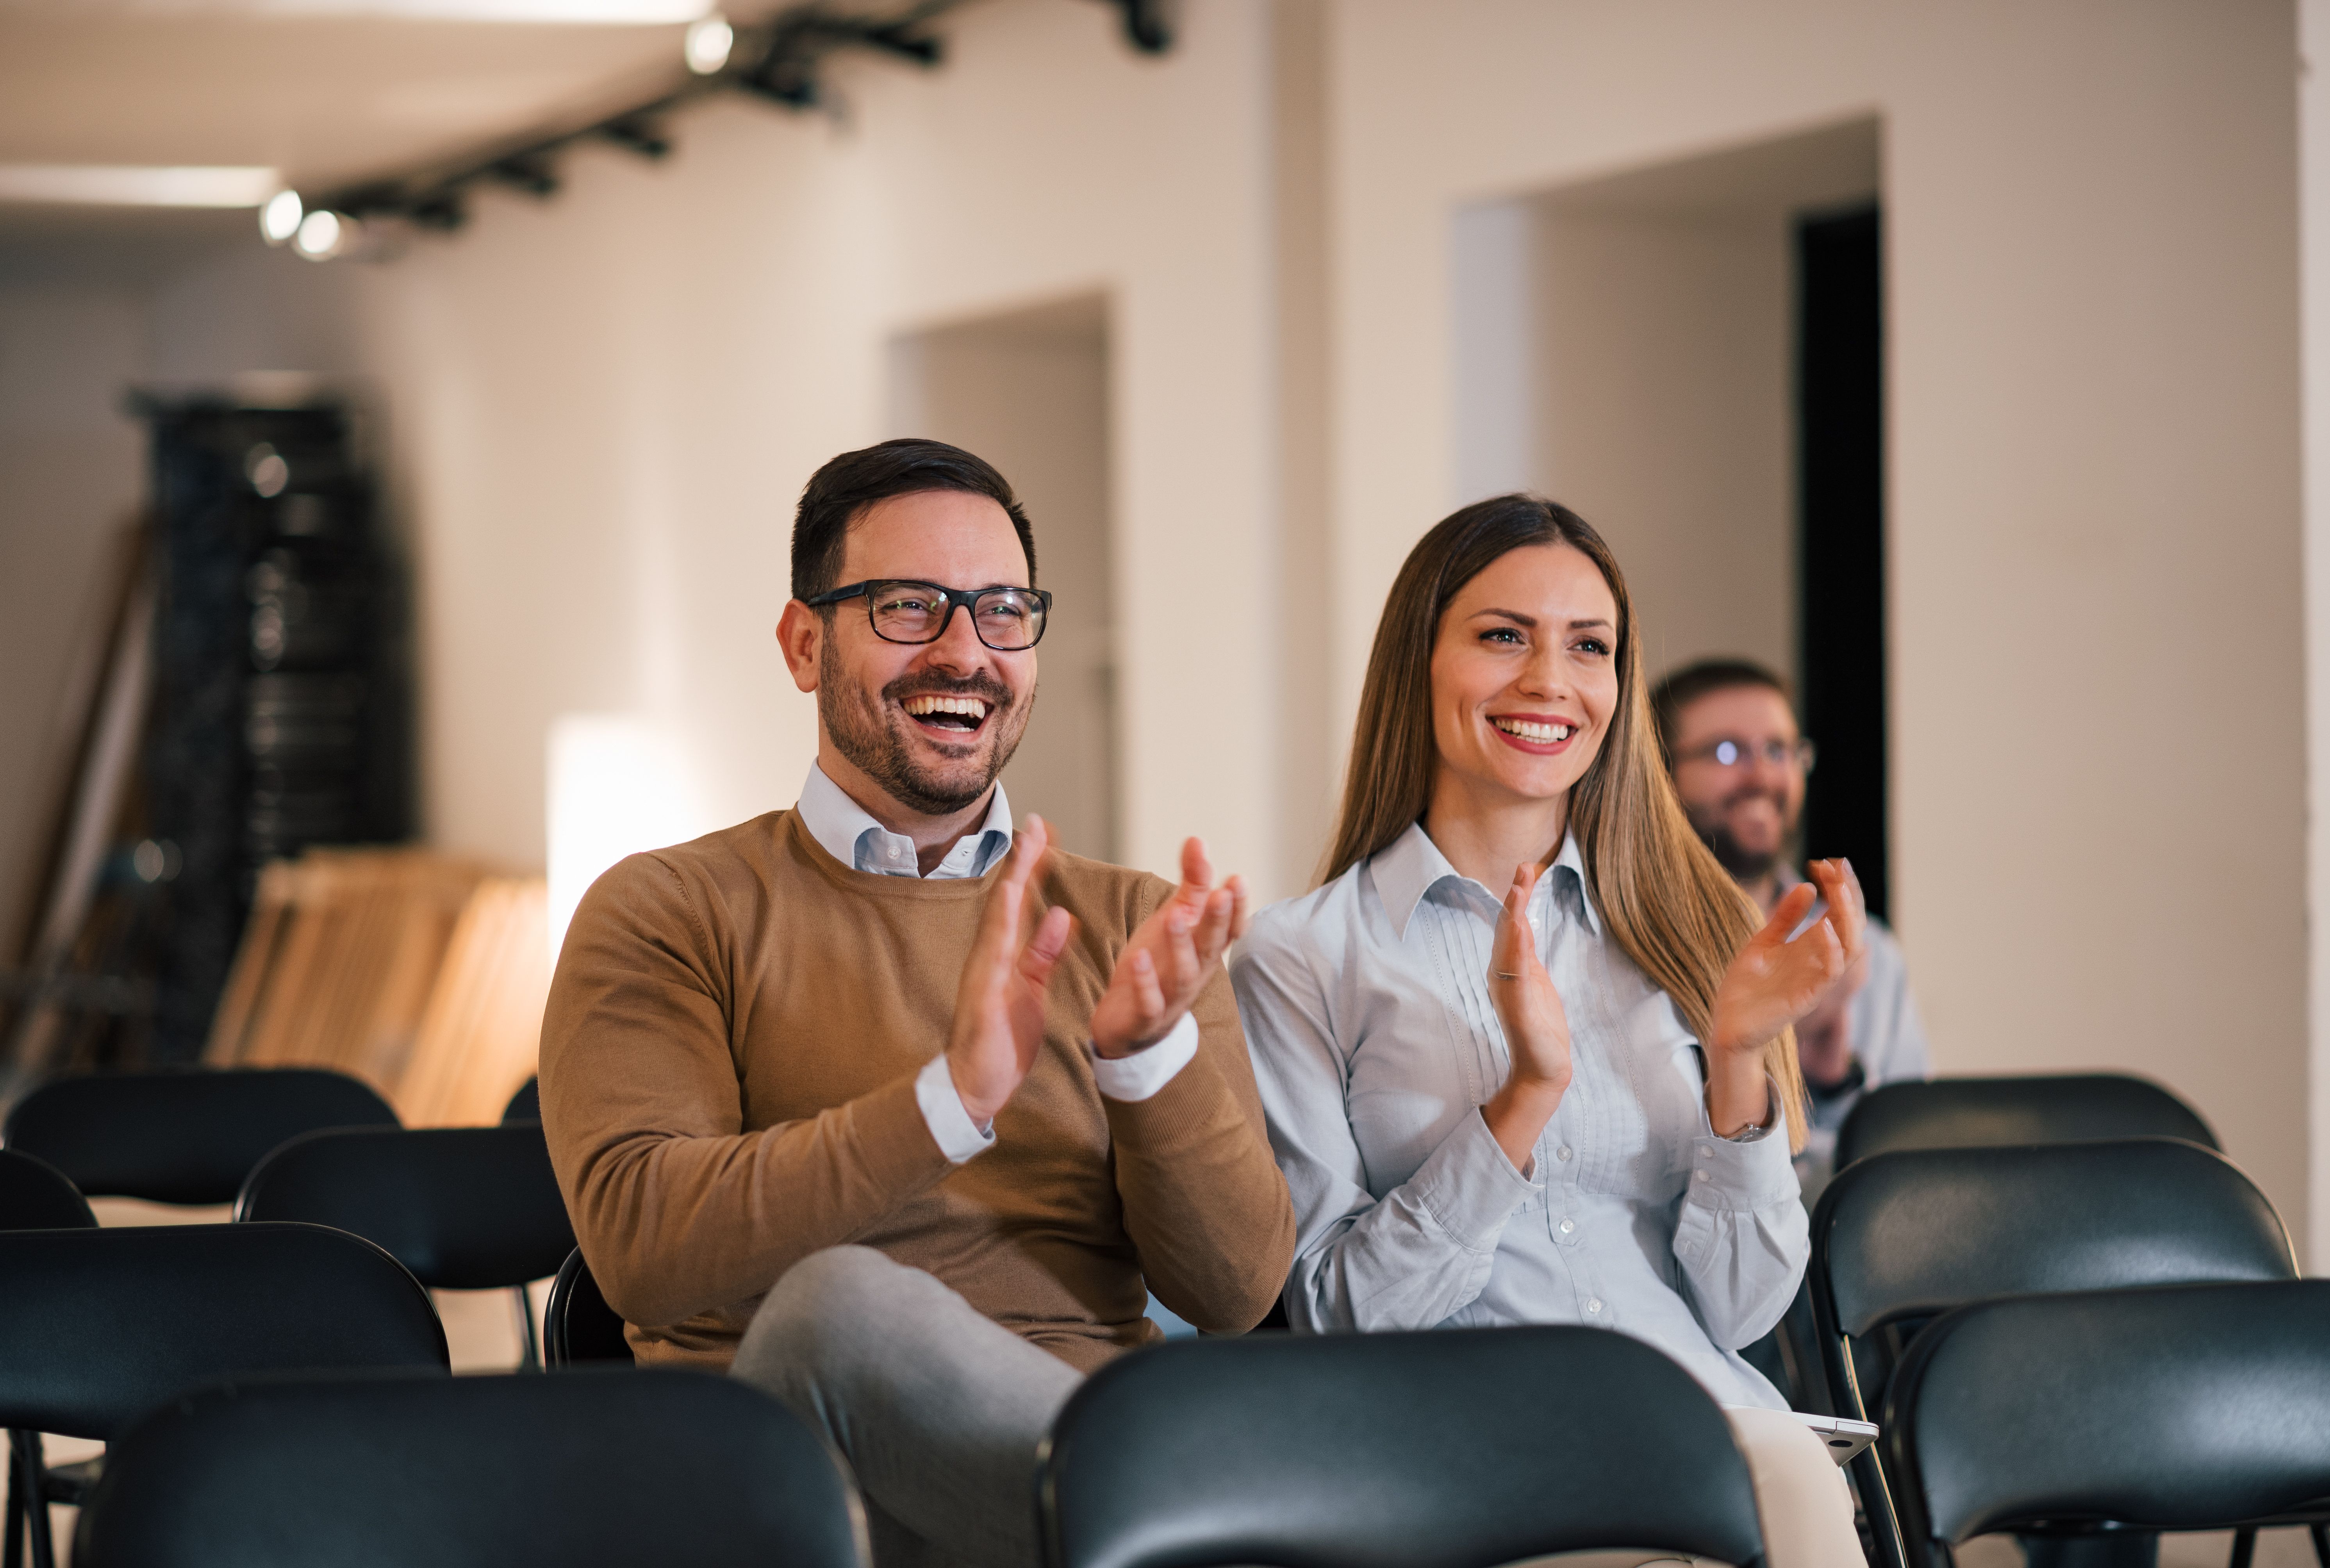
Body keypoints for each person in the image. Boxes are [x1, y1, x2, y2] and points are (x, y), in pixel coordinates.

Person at [539, 438, 1293, 1568]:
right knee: (841, 1306)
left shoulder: (1137, 924)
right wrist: (947, 1104)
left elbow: (1236, 1294)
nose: (965, 652)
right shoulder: (666, 909)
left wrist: (1145, 1063)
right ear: (805, 644)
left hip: (1063, 1485)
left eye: (1001, 611)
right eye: (909, 608)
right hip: (802, 1494)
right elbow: (641, 1247)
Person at [1231, 494, 1870, 1567]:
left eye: (1589, 647)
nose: (1549, 683)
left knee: (1790, 1481)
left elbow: (1747, 1307)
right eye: (1501, 637)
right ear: (1417, 663)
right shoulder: (1298, 958)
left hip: (1713, 1440)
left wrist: (1736, 1060)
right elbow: (1342, 1320)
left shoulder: (1690, 927)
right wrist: (1521, 1100)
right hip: (1466, 1466)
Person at [1653, 657, 1930, 1186]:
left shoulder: (1865, 948)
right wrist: (1765, 1046)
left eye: (1779, 750)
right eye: (1727, 751)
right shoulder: (1626, 944)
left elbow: (1906, 1164)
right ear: (1659, 774)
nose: (1761, 776)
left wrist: (1829, 1082)